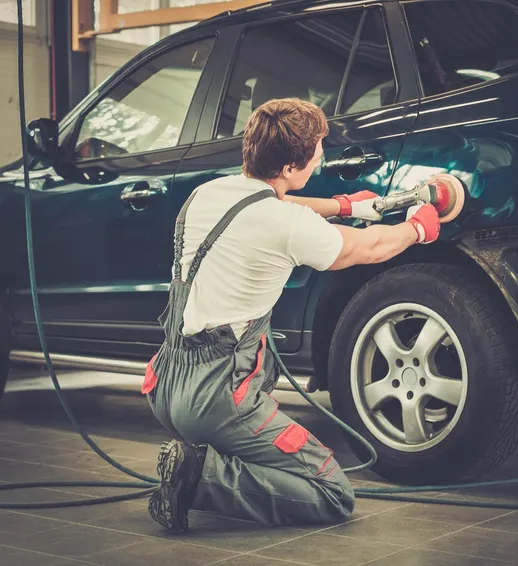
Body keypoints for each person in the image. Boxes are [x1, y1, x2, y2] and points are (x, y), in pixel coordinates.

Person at [142, 97, 441, 532]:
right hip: (218, 400)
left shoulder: (207, 193)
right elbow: (369, 247)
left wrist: (345, 206)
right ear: (287, 168)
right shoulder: (287, 226)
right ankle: (197, 478)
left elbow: (275, 207)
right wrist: (417, 228)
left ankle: (202, 460)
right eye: (317, 151)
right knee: (332, 494)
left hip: (168, 384)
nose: (321, 157)